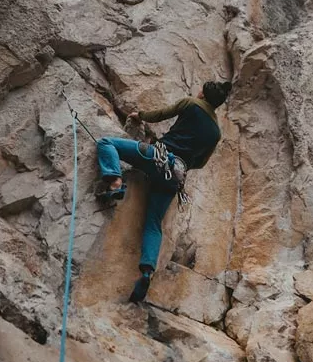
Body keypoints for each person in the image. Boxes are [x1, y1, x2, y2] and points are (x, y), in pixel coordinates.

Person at [95, 80, 232, 303]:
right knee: (153, 222)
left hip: (157, 156)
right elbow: (200, 163)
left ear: (203, 94)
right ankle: (147, 272)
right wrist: (183, 161)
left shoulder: (191, 103)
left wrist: (139, 115)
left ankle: (115, 183)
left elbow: (160, 114)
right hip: (176, 175)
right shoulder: (215, 133)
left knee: (106, 143)